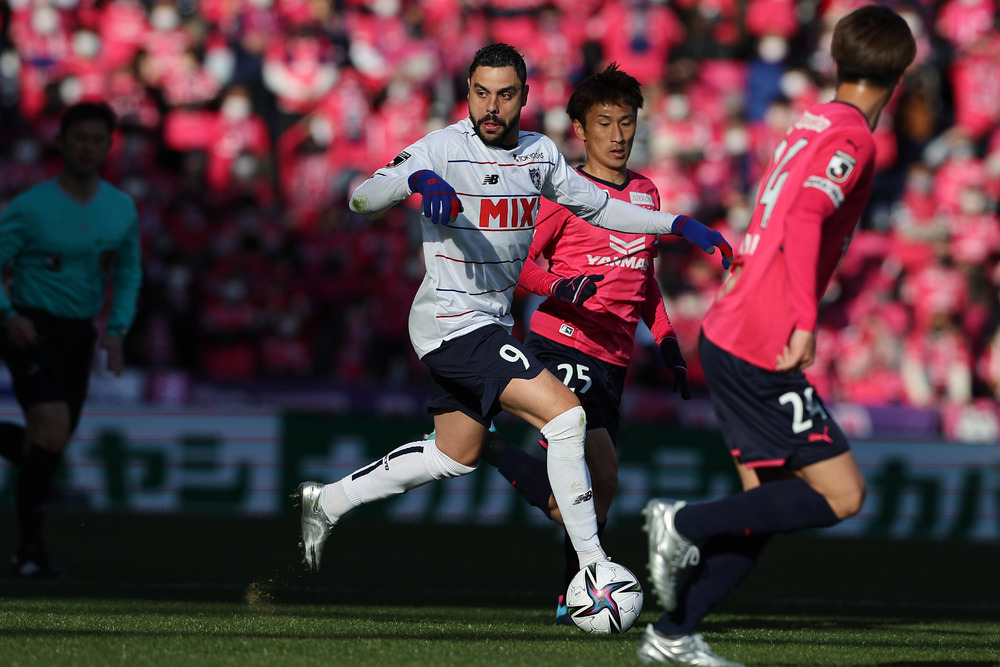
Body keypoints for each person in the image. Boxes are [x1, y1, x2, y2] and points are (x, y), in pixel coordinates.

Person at [293, 44, 731, 583]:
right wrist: (418, 181)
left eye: (504, 95)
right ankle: (594, 573)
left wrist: (678, 225)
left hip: (489, 323)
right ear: (468, 92)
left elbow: (598, 206)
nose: (491, 107)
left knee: (455, 455)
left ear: (524, 96)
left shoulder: (539, 154)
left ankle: (328, 501)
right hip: (452, 321)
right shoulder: (442, 147)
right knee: (567, 417)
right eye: (481, 93)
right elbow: (363, 196)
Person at [638, 6, 916, 665]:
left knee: (764, 504)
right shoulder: (855, 137)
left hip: (731, 323)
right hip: (761, 334)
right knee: (842, 493)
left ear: (836, 60)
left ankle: (674, 632)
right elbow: (805, 217)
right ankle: (682, 521)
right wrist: (805, 319)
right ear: (900, 75)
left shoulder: (813, 118)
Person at [476, 63, 691, 625]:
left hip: (614, 360)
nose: (618, 136)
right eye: (604, 123)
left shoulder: (646, 193)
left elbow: (642, 278)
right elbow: (520, 262)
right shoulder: (563, 194)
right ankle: (583, 588)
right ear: (579, 129)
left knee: (588, 493)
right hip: (564, 345)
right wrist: (560, 287)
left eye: (627, 122)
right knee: (601, 475)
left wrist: (666, 339)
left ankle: (490, 450)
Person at [0, 101, 143, 578]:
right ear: (61, 143)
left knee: (49, 444)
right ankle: (29, 552)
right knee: (51, 429)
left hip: (80, 334)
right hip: (30, 328)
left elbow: (128, 273)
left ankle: (30, 553)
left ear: (108, 147)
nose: (87, 147)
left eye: (97, 140)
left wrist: (117, 330)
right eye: (79, 138)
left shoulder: (120, 209)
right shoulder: (29, 207)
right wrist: (8, 315)